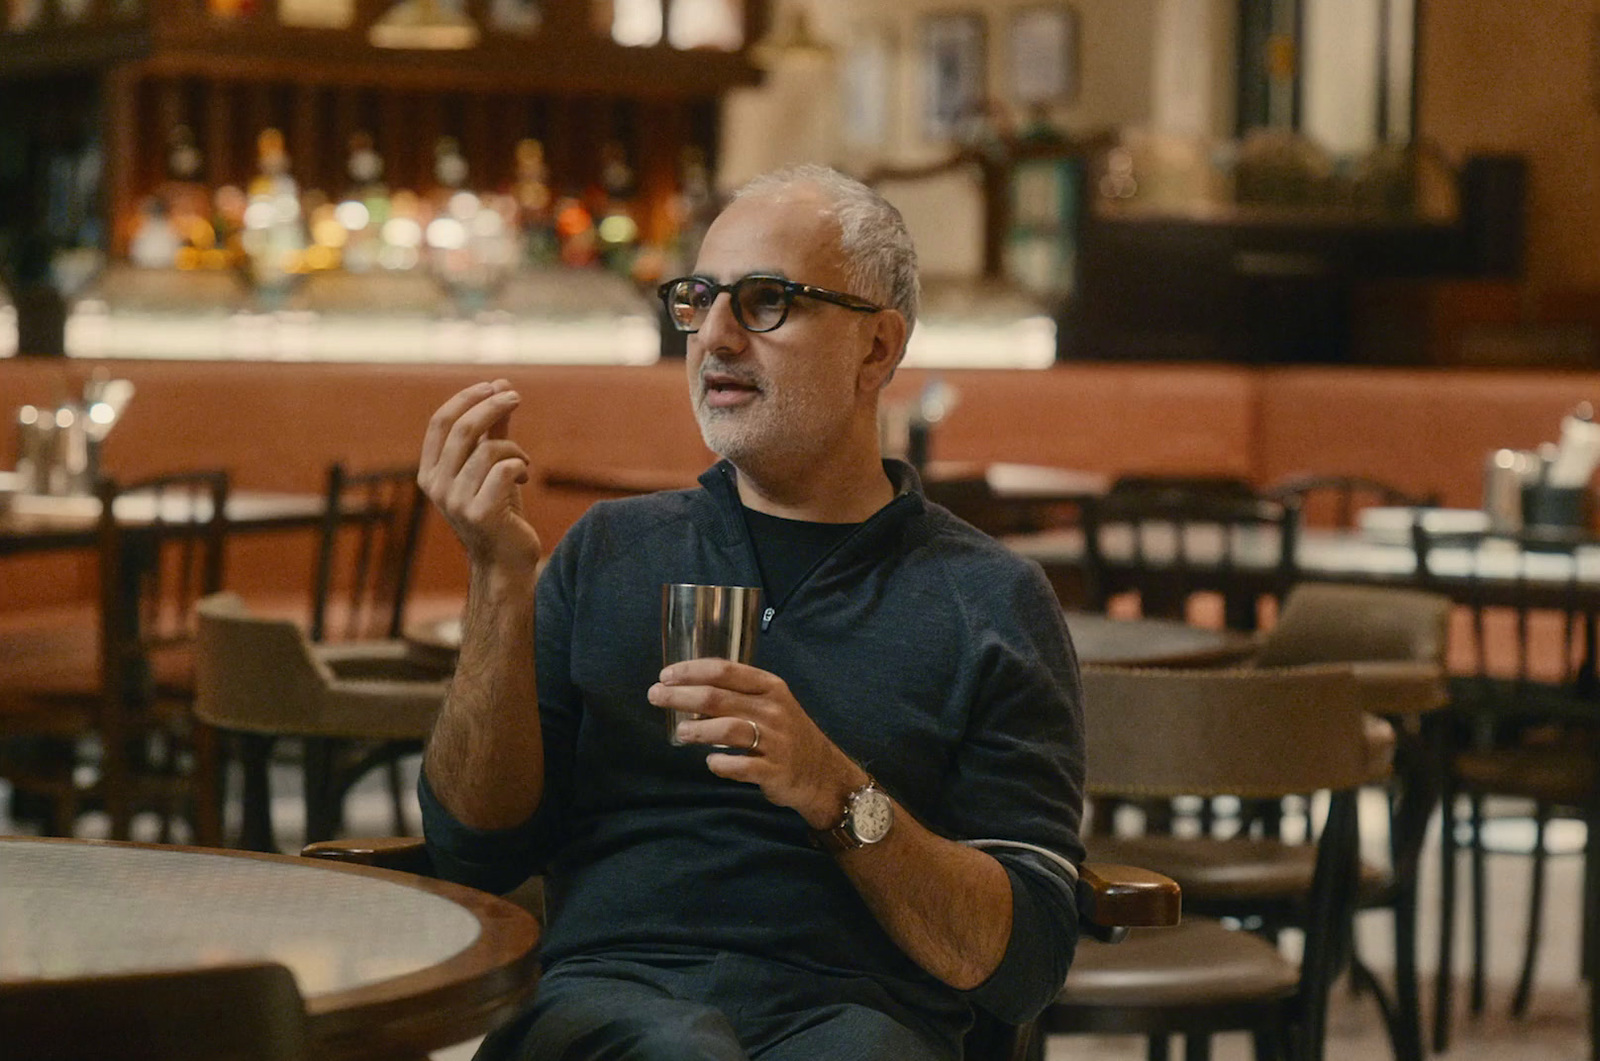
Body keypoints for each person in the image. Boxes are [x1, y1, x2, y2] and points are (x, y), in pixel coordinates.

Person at [416, 163, 1085, 1061]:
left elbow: (1025, 960)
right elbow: (474, 851)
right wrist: (498, 584)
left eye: (767, 300)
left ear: (877, 350)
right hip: (612, 1006)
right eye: (699, 298)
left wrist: (836, 790)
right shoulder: (609, 551)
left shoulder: (989, 599)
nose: (717, 336)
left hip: (856, 1023)